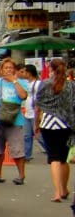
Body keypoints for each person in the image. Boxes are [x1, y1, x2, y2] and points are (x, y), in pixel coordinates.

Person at [33, 57, 75, 202]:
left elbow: (38, 104)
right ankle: (64, 189)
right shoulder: (71, 86)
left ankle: (56, 193)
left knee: (54, 158)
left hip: (48, 124)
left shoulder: (45, 84)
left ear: (50, 69)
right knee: (64, 159)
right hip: (66, 124)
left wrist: (36, 124)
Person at [0, 58, 29, 185]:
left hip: (15, 121)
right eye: (6, 68)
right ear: (1, 69)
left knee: (17, 150)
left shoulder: (21, 82)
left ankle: (21, 176)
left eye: (11, 68)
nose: (8, 70)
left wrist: (14, 81)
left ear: (15, 70)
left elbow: (23, 96)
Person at [21, 63, 40, 161]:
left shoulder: (37, 84)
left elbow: (39, 99)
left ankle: (52, 153)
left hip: (34, 113)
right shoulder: (26, 83)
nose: (23, 73)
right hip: (27, 113)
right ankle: (27, 155)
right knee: (27, 136)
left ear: (29, 73)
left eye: (24, 71)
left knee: (39, 136)